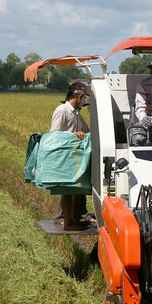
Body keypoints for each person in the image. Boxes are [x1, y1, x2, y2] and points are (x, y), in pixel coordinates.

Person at [50, 81, 94, 230]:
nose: (84, 102)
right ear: (80, 96)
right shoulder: (62, 110)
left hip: (75, 155)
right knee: (66, 189)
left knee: (75, 188)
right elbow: (54, 133)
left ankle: (74, 218)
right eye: (84, 99)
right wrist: (73, 135)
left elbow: (86, 130)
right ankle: (65, 221)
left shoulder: (75, 113)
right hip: (65, 155)